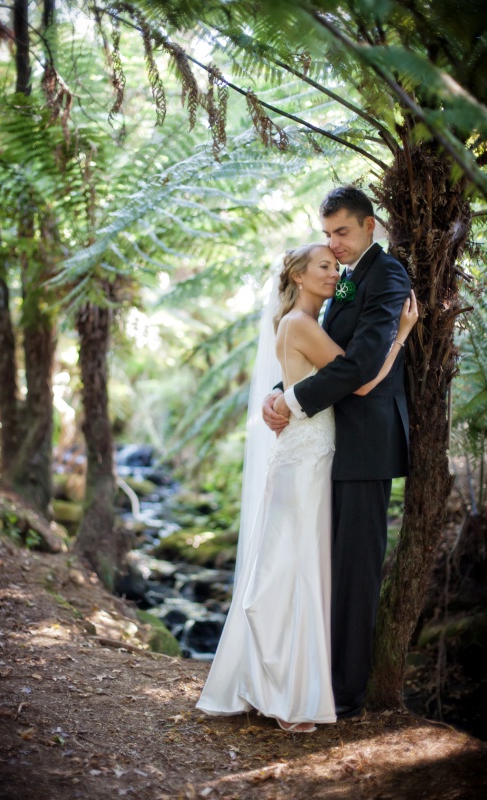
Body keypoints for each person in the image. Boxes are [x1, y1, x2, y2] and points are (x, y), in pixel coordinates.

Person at [196, 241, 417, 732]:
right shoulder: (300, 324)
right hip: (308, 457)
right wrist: (400, 336)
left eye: (336, 266)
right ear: (298, 275)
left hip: (312, 455)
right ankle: (285, 690)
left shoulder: (309, 321)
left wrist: (282, 397)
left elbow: (303, 380)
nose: (334, 270)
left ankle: (274, 683)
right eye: (323, 265)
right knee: (293, 569)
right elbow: (360, 381)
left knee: (297, 568)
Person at [264, 187, 412, 719]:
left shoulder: (388, 275)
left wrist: (293, 400)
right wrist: (279, 393)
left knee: (355, 569)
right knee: (327, 565)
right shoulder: (344, 281)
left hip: (366, 444)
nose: (334, 243)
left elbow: (361, 366)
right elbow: (316, 358)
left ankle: (347, 693)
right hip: (328, 442)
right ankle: (315, 674)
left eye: (342, 232)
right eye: (327, 235)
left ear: (370, 225)